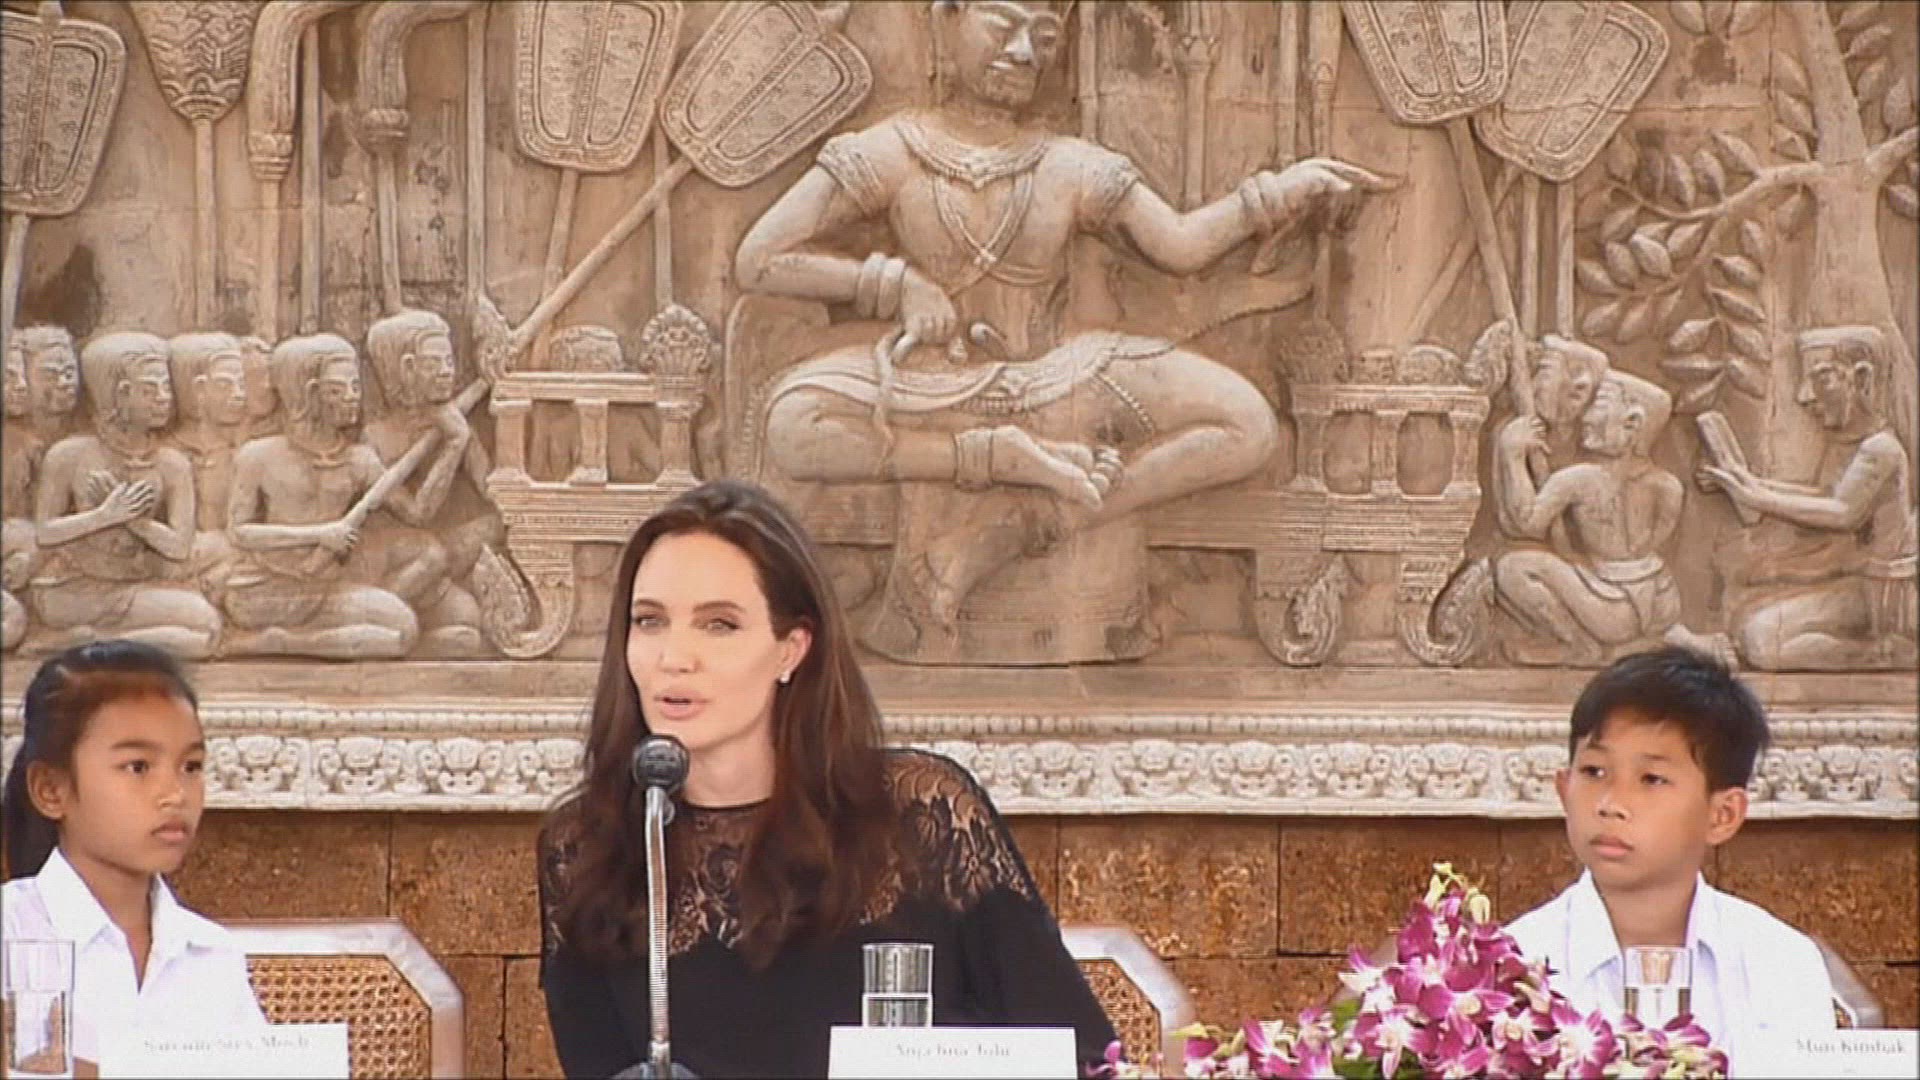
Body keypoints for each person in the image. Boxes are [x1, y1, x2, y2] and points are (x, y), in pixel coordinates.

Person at [537, 480, 1116, 1078]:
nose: (674, 658)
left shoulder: (924, 814)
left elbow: (1087, 1060)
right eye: (649, 621)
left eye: (718, 625)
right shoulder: (585, 846)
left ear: (791, 649)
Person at [1504, 647, 1835, 1070]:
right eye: (1594, 772)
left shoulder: (1780, 962)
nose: (1611, 804)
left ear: (1722, 815)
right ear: (1563, 789)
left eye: (1652, 779)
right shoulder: (1514, 964)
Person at [1, 639, 269, 1071]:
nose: (175, 794)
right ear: (51, 790)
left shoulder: (212, 953)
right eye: (138, 767)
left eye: (191, 767)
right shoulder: (10, 929)